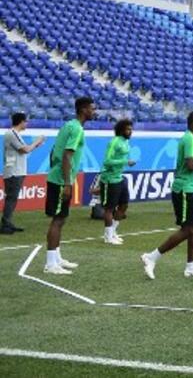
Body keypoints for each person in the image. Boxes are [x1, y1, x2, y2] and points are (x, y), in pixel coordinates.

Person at [141, 111, 193, 280]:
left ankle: (191, 266)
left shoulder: (192, 139)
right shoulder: (189, 139)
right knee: (189, 229)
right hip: (185, 189)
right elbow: (192, 165)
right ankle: (152, 256)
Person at [43, 96, 95, 275]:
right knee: (57, 220)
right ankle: (50, 263)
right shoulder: (77, 129)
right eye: (91, 108)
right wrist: (66, 182)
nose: (93, 111)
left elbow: (53, 151)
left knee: (61, 219)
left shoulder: (69, 125)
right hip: (60, 180)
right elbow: (66, 155)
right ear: (83, 110)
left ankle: (56, 257)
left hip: (59, 177)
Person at [3, 112, 45, 234]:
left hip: (17, 170)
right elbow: (25, 150)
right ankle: (5, 224)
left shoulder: (15, 134)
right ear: (21, 122)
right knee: (11, 198)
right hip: (13, 172)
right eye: (26, 121)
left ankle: (8, 222)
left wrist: (36, 145)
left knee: (12, 198)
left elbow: (24, 150)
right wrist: (37, 141)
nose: (27, 123)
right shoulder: (11, 134)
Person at [100, 119, 136, 245]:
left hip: (119, 177)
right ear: (121, 130)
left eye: (131, 129)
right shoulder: (114, 142)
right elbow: (107, 161)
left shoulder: (126, 142)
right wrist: (126, 162)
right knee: (109, 208)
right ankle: (107, 237)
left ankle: (113, 232)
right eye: (128, 129)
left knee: (124, 205)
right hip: (109, 179)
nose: (130, 131)